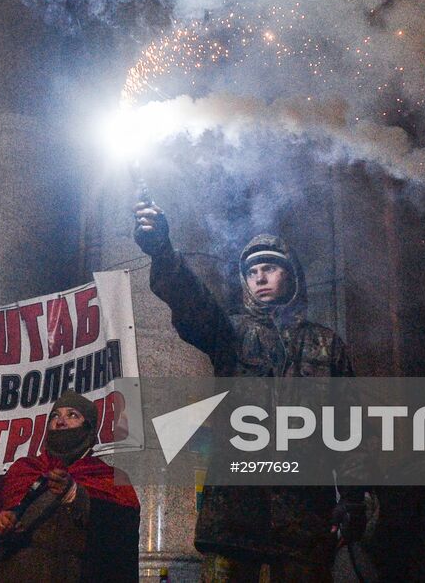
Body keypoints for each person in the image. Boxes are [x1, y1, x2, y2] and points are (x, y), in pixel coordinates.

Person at [134, 200, 360, 583]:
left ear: (291, 276)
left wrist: (354, 500)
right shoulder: (230, 334)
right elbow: (192, 302)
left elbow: (351, 429)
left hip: (304, 518)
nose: (259, 277)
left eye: (269, 268)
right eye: (252, 271)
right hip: (234, 515)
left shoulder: (325, 344)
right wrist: (162, 249)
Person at [0, 391, 140, 583]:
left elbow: (119, 539)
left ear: (88, 428)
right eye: (55, 416)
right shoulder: (25, 470)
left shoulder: (107, 478)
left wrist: (74, 495)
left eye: (72, 415)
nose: (61, 421)